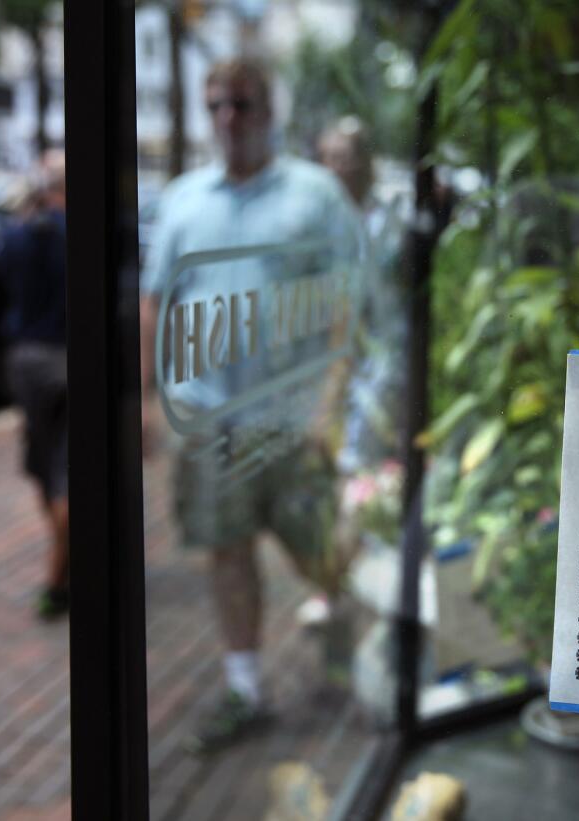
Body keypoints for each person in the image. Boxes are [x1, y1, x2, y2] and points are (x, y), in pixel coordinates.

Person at [139, 58, 362, 754]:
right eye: (216, 106)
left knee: (319, 552)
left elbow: (345, 303)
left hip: (292, 421)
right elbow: (156, 300)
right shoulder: (182, 199)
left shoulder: (315, 194)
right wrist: (150, 395)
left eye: (241, 104)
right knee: (228, 552)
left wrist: (330, 406)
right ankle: (247, 686)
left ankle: (346, 633)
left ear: (269, 110)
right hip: (209, 417)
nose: (228, 119)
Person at [0, 151, 69, 620]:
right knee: (63, 472)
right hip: (66, 360)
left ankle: (60, 567)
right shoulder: (73, 233)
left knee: (45, 466)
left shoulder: (18, 234)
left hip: (27, 362)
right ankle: (60, 572)